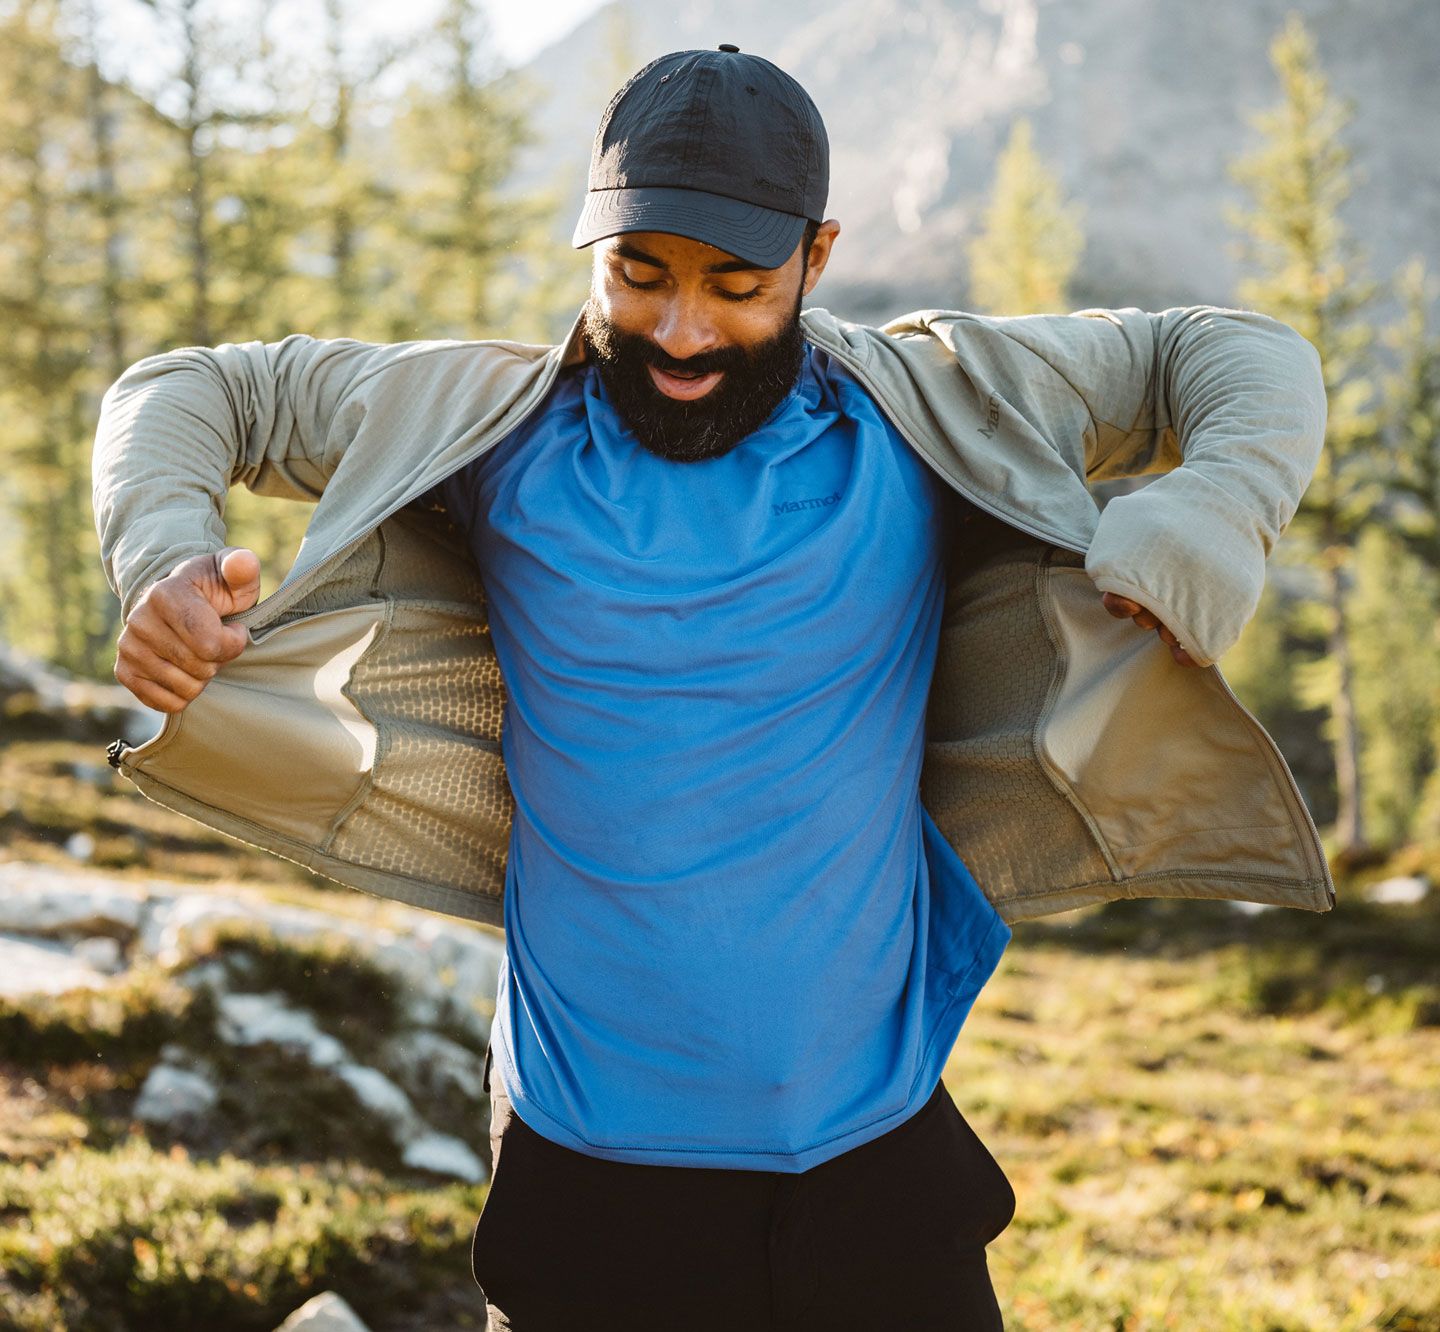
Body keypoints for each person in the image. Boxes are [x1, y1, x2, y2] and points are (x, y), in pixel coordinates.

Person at [93, 45, 1333, 1332]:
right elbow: (185, 390)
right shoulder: (488, 428)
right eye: (639, 276)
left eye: (736, 287)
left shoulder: (921, 407)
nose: (681, 333)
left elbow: (1236, 354)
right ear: (593, 247)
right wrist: (166, 555)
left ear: (819, 255)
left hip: (880, 1164)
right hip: (590, 1186)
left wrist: (1217, 506)